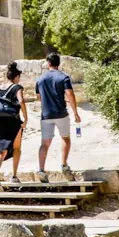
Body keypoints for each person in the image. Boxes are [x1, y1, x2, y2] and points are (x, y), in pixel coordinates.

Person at [36, 52, 80, 180]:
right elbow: (70, 94)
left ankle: (41, 170)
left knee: (45, 143)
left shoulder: (40, 79)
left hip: (46, 115)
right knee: (65, 138)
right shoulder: (64, 77)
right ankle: (64, 165)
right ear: (58, 63)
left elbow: (39, 97)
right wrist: (75, 112)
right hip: (61, 113)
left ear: (48, 63)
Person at [0, 62, 28, 190]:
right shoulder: (17, 87)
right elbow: (21, 101)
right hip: (12, 120)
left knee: (2, 148)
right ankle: (14, 176)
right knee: (16, 148)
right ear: (16, 77)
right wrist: (26, 118)